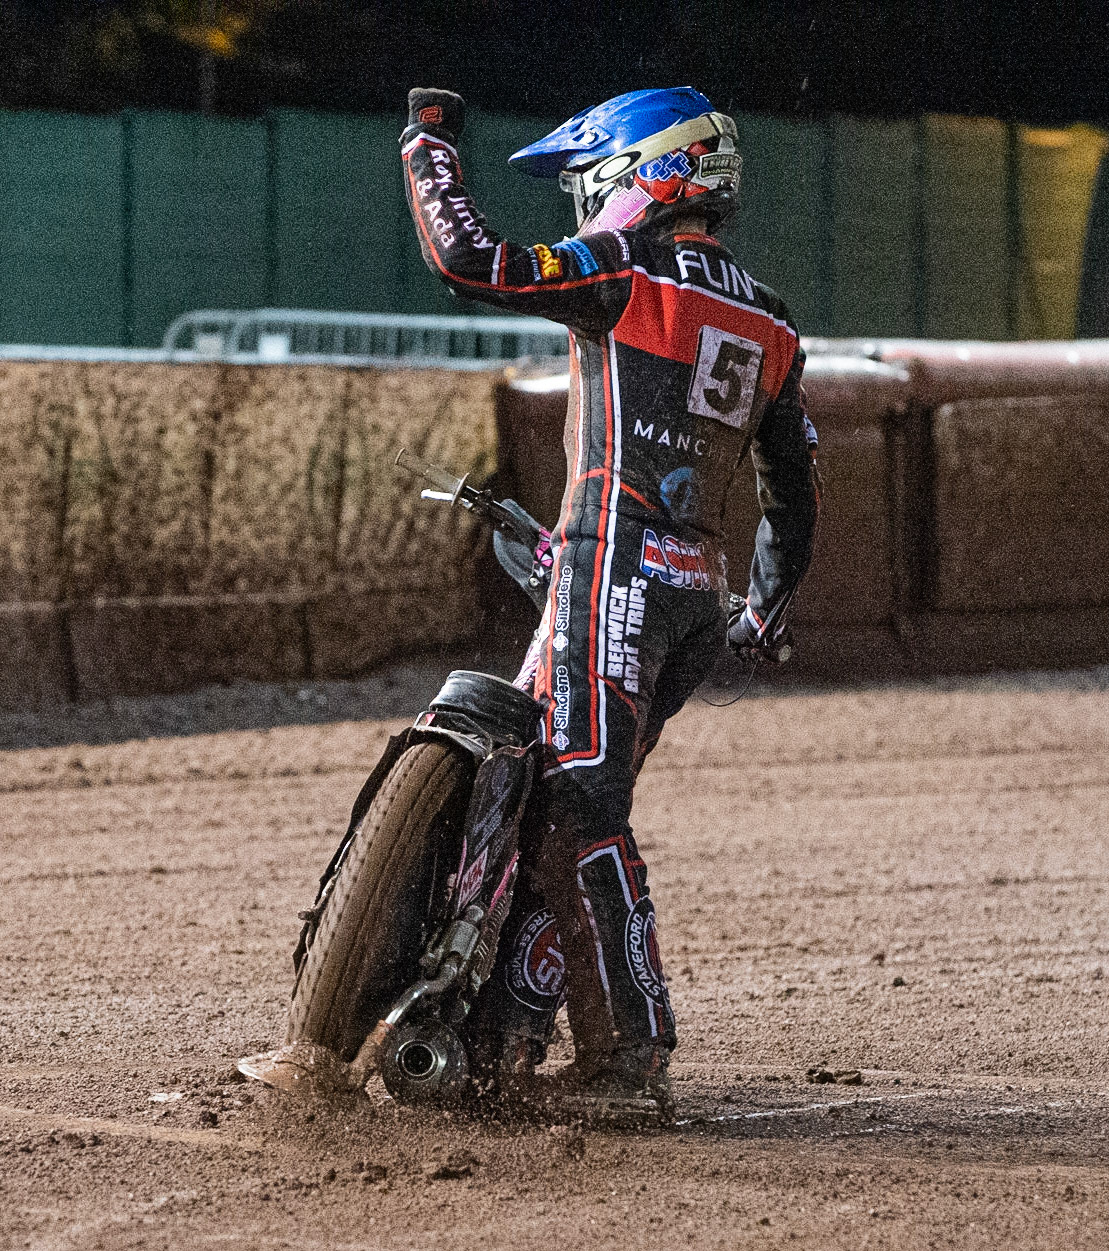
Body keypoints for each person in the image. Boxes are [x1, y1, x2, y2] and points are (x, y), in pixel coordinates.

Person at [400, 86, 820, 1124]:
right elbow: (794, 491)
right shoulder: (769, 319)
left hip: (613, 566)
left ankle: (629, 1055)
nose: (583, 204)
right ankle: (500, 1034)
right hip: (691, 596)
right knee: (556, 801)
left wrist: (428, 149)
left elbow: (471, 261)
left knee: (579, 799)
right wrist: (762, 612)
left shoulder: (628, 269)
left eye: (589, 180)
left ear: (646, 174)